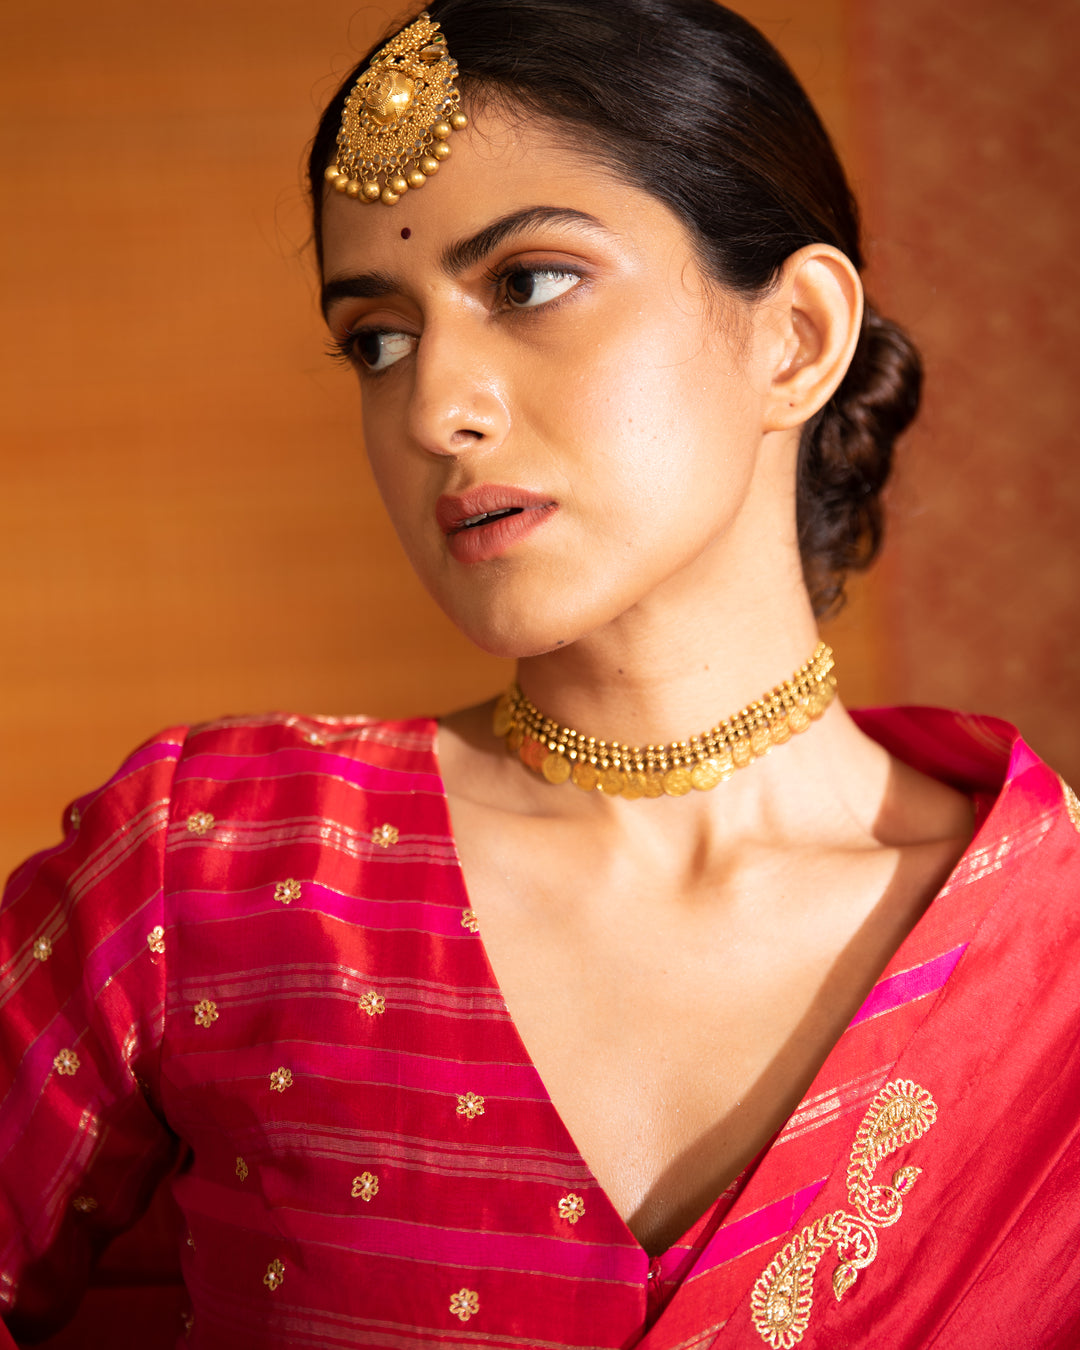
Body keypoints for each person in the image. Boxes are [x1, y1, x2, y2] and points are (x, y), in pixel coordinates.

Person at [2, 1, 1078, 1346]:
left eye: (529, 282)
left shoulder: (1053, 951)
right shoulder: (214, 866)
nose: (434, 407)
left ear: (797, 336)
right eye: (379, 339)